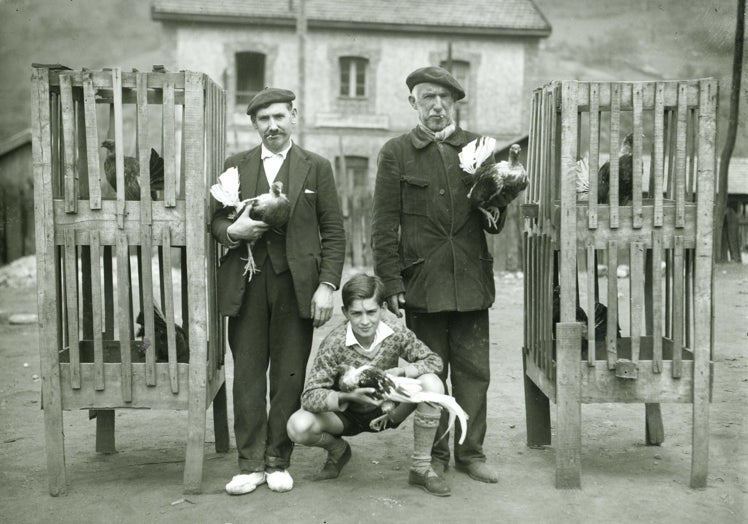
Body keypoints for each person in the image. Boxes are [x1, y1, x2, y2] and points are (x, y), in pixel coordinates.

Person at [371, 66, 509, 484]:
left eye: (444, 99)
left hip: (470, 280)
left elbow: (495, 222)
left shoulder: (478, 150)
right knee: (430, 375)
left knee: (474, 373)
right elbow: (382, 224)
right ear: (413, 103)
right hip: (422, 284)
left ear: (455, 103)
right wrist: (391, 282)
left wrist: (495, 210)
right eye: (427, 98)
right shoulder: (396, 153)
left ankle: (472, 453)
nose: (436, 106)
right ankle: (435, 456)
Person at [211, 87, 346, 495]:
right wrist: (232, 231)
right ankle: (250, 463)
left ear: (294, 117)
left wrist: (326, 285)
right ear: (254, 124)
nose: (272, 125)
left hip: (295, 286)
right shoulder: (236, 166)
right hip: (247, 283)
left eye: (279, 117)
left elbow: (334, 232)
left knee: (288, 375)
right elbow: (215, 220)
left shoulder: (316, 167)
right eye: (264, 119)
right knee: (248, 374)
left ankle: (278, 460)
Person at [287, 273, 451, 496]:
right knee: (297, 425)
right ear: (345, 313)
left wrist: (405, 370)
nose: (365, 321)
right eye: (356, 313)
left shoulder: (396, 332)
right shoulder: (334, 343)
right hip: (347, 416)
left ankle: (421, 467)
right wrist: (347, 397)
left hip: (390, 409)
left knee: (431, 383)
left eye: (371, 312)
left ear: (382, 308)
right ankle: (338, 450)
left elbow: (435, 361)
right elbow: (309, 395)